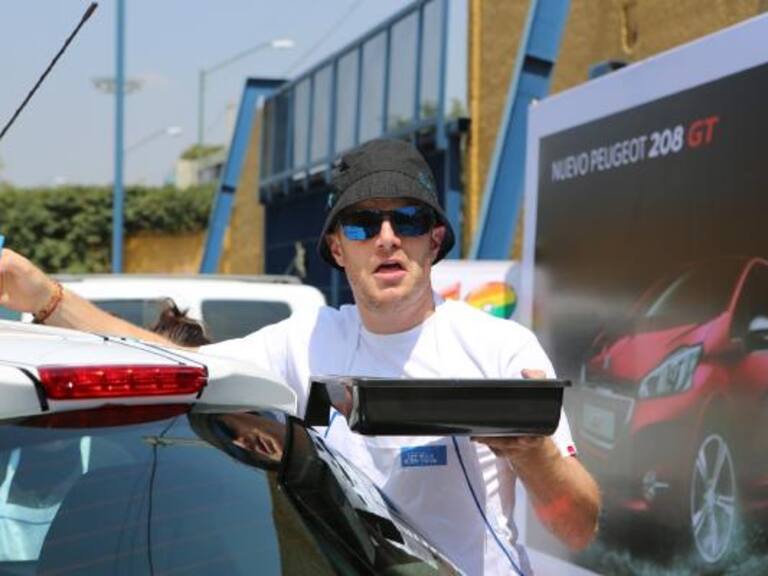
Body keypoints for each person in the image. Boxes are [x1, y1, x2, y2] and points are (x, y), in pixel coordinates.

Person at [0, 138, 600, 575]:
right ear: (337, 248)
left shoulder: (499, 348)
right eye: (362, 225)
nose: (387, 237)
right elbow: (170, 364)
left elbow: (577, 527)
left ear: (434, 239)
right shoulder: (305, 340)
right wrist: (44, 297)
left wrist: (535, 452)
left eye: (408, 219)